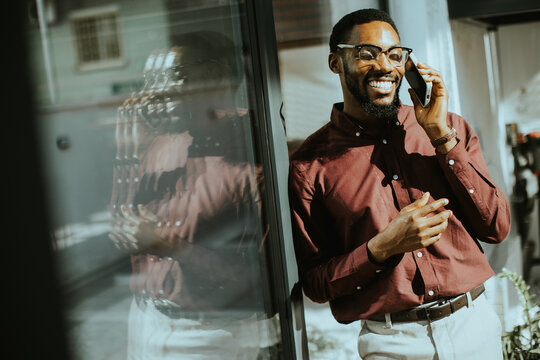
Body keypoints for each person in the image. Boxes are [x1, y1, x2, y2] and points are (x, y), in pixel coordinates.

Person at [288, 8, 510, 360]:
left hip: (474, 327)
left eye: (394, 55)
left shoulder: (449, 128)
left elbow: (496, 227)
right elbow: (316, 282)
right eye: (366, 53)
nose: (384, 66)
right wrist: (381, 248)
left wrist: (440, 136)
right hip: (392, 343)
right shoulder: (309, 165)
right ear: (336, 63)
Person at [109, 31, 279, 359]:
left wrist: (173, 248)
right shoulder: (161, 144)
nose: (157, 91)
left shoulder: (253, 152)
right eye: (152, 79)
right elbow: (122, 228)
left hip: (212, 333)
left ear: (214, 76)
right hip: (146, 319)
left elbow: (261, 281)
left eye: (172, 77)